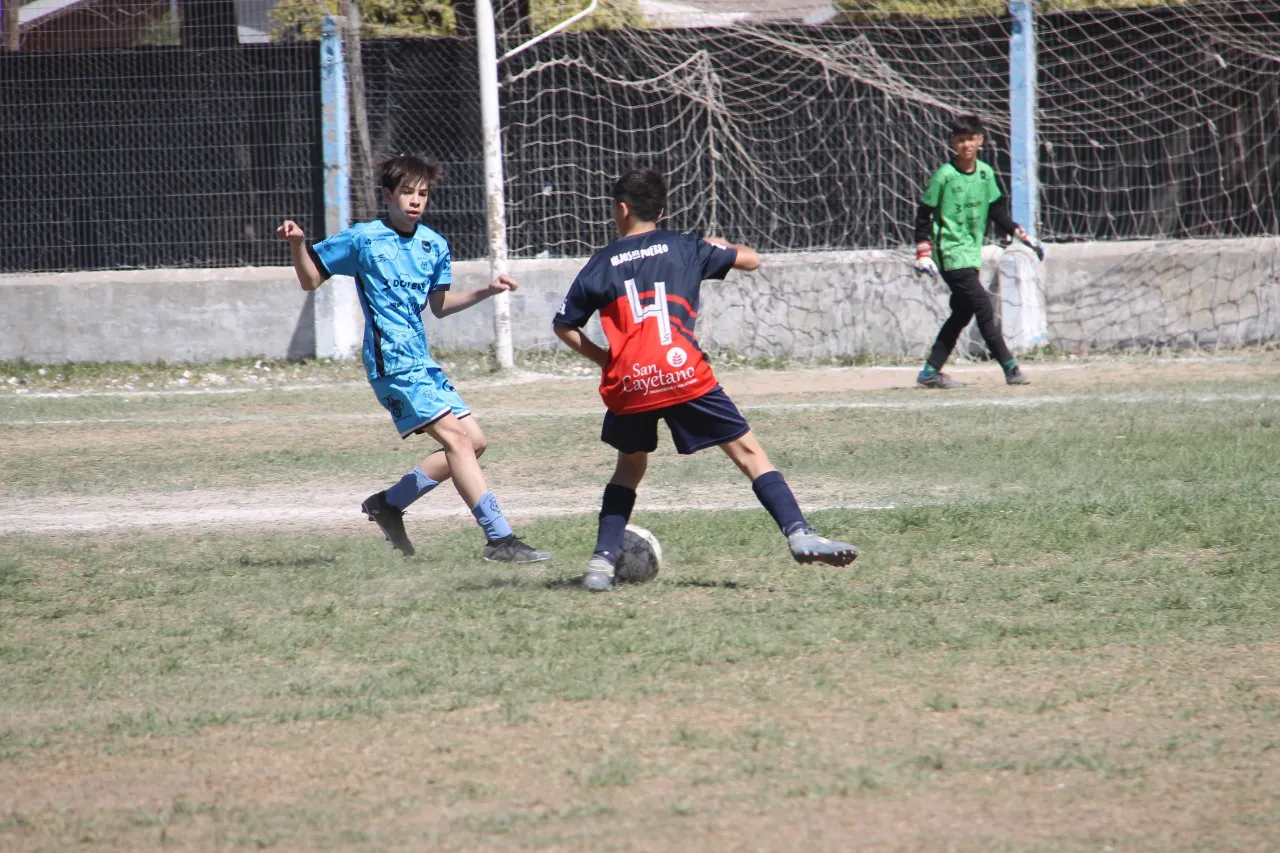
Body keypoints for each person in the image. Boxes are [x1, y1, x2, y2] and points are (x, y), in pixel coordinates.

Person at [552, 167, 860, 592]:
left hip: (630, 380)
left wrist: (607, 360)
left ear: (621, 210)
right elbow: (750, 259)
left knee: (628, 468)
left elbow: (564, 325)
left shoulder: (600, 262)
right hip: (682, 373)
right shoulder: (685, 246)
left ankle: (600, 565)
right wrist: (715, 246)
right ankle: (799, 533)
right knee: (749, 454)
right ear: (661, 210)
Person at [276, 154, 550, 564]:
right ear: (388, 195)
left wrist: (487, 291)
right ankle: (500, 538)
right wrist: (299, 244)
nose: (416, 200)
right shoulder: (363, 239)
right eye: (407, 192)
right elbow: (310, 279)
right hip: (391, 361)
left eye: (423, 194)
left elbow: (438, 306)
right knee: (456, 440)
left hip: (421, 360)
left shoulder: (434, 245)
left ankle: (389, 504)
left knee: (474, 442)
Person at [913, 114, 1044, 389]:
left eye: (971, 139)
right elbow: (924, 214)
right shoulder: (944, 176)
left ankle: (930, 372)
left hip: (971, 254)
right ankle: (1010, 368)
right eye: (960, 140)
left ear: (980, 140)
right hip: (950, 254)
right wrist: (923, 252)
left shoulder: (985, 173)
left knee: (962, 314)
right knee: (983, 308)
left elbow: (996, 210)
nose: (966, 145)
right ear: (953, 142)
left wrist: (1022, 235)